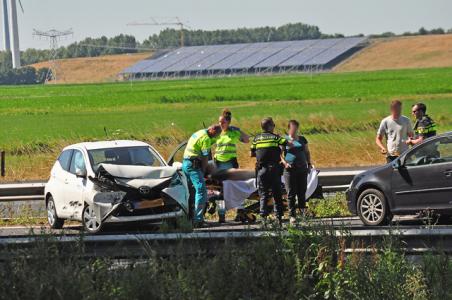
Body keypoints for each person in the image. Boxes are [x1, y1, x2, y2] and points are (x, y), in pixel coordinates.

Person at [214, 109, 250, 222]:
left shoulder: (233, 132)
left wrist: (239, 130)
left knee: (235, 187)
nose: (220, 124)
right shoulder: (217, 133)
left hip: (230, 163)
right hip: (218, 163)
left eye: (223, 122)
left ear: (228, 122)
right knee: (220, 190)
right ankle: (221, 215)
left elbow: (246, 139)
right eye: (219, 122)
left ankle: (240, 211)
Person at [182, 124, 222, 227]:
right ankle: (198, 220)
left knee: (191, 192)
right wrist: (204, 171)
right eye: (216, 135)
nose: (216, 137)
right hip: (193, 165)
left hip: (186, 164)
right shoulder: (206, 139)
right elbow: (205, 158)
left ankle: (189, 218)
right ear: (212, 130)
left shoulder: (199, 132)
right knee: (201, 190)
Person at [251, 117, 288, 224]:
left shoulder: (256, 138)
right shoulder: (275, 137)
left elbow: (251, 153)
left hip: (261, 170)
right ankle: (278, 217)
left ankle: (263, 217)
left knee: (263, 194)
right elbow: (286, 144)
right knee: (277, 193)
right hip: (274, 169)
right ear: (270, 126)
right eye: (274, 125)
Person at [281, 120, 312, 225]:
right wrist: (285, 163)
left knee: (302, 192)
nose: (295, 130)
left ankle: (303, 214)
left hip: (302, 169)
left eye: (296, 128)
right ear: (289, 128)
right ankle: (292, 216)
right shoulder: (284, 140)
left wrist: (309, 164)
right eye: (293, 128)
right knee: (291, 193)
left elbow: (307, 152)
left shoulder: (302, 139)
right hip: (289, 170)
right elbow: (279, 154)